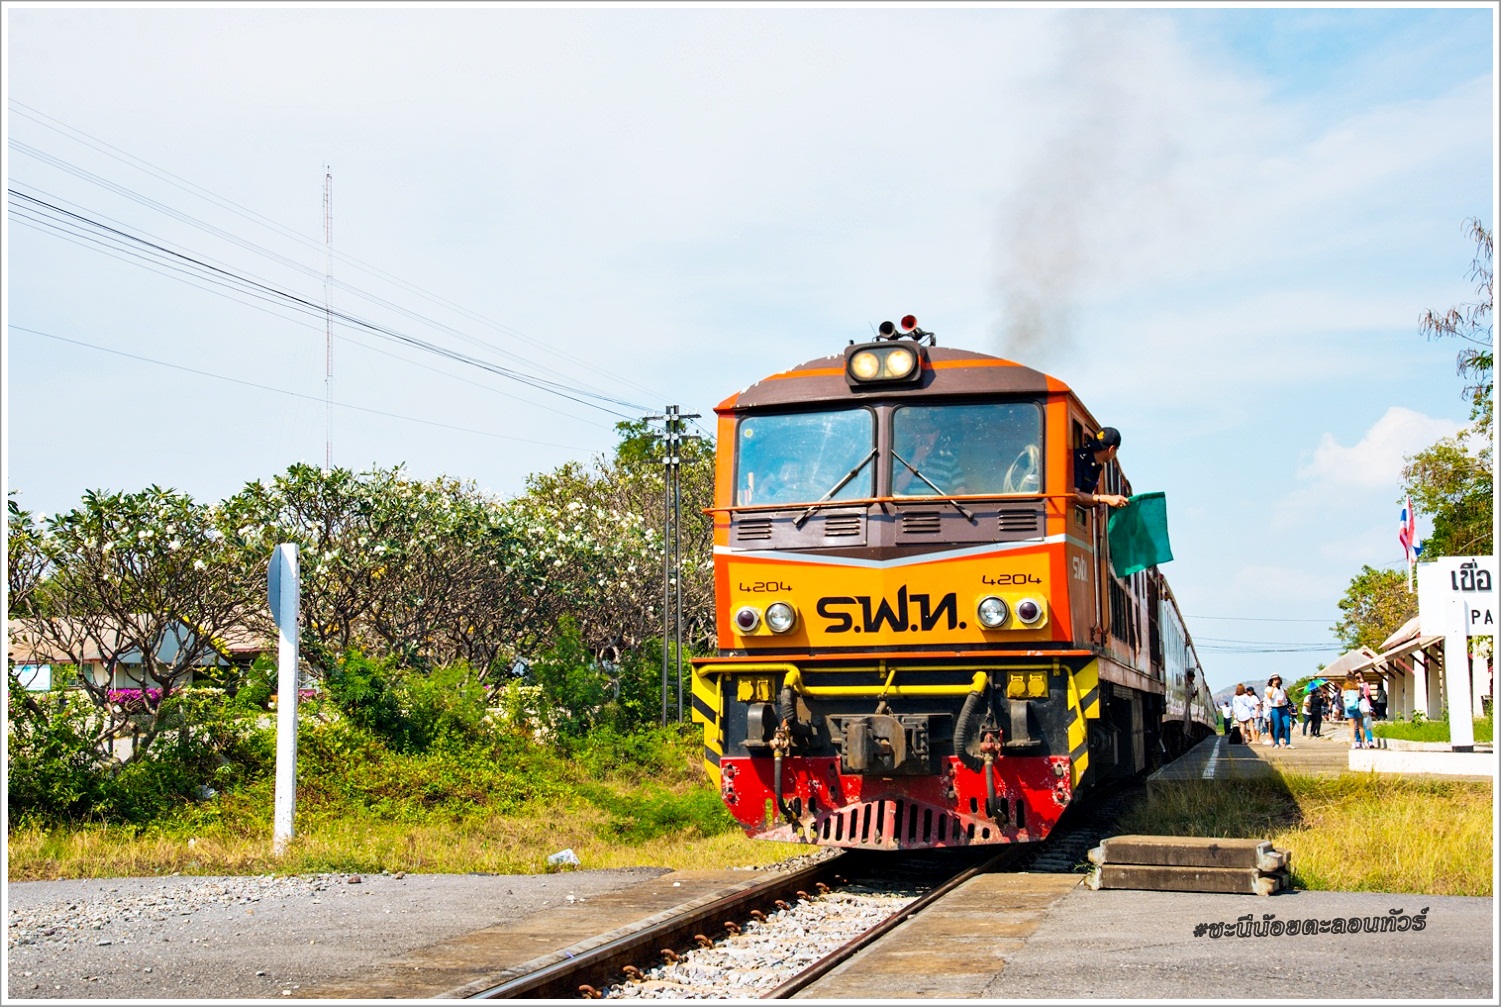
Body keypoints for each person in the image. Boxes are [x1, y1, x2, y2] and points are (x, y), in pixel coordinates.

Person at [1073, 427, 1128, 509]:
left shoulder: (1097, 467)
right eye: (1116, 450)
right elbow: (1074, 495)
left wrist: (1096, 502)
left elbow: (1082, 497)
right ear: (1111, 449)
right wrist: (1105, 498)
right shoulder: (1078, 458)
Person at [1265, 676, 1294, 749]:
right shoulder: (1268, 688)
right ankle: (1277, 743)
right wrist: (1273, 687)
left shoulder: (1282, 688)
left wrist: (1284, 692)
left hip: (1284, 708)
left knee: (1287, 725)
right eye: (1274, 680)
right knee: (1277, 726)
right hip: (1275, 708)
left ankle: (1288, 743)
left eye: (1277, 679)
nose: (1276, 681)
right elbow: (1269, 696)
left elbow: (1287, 696)